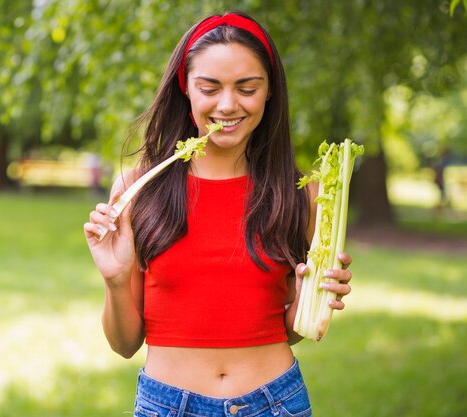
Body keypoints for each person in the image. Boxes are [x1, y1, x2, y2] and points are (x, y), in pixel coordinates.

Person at [84, 11, 353, 417]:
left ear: (270, 92)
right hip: (167, 405)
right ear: (186, 89)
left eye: (247, 88)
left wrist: (310, 301)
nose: (228, 105)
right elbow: (124, 344)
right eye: (209, 87)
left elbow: (283, 330)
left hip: (275, 403)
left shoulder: (301, 194)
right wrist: (116, 280)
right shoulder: (138, 191)